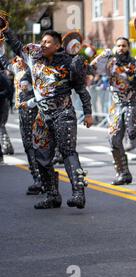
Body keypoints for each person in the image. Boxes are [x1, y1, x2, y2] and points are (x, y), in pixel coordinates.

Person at [3, 26, 93, 209]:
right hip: (42, 115)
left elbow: (81, 90)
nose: (43, 44)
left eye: (47, 42)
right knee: (41, 155)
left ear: (58, 45)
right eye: (42, 41)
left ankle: (78, 194)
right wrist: (6, 30)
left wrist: (88, 113)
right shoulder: (33, 59)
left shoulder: (70, 63)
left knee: (68, 152)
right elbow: (17, 44)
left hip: (64, 113)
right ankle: (52, 195)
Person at [90, 37, 136, 185]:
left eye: (124, 46)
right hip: (116, 105)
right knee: (113, 139)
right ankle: (123, 173)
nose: (121, 48)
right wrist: (103, 54)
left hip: (133, 103)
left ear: (128, 47)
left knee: (134, 132)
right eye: (118, 46)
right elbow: (91, 68)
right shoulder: (109, 64)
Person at [0, 50, 43, 194]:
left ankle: (43, 179)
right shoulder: (17, 70)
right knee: (27, 146)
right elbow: (5, 61)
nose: (18, 61)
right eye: (17, 58)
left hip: (33, 111)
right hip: (22, 112)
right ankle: (37, 178)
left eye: (21, 58)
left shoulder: (34, 72)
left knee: (35, 145)